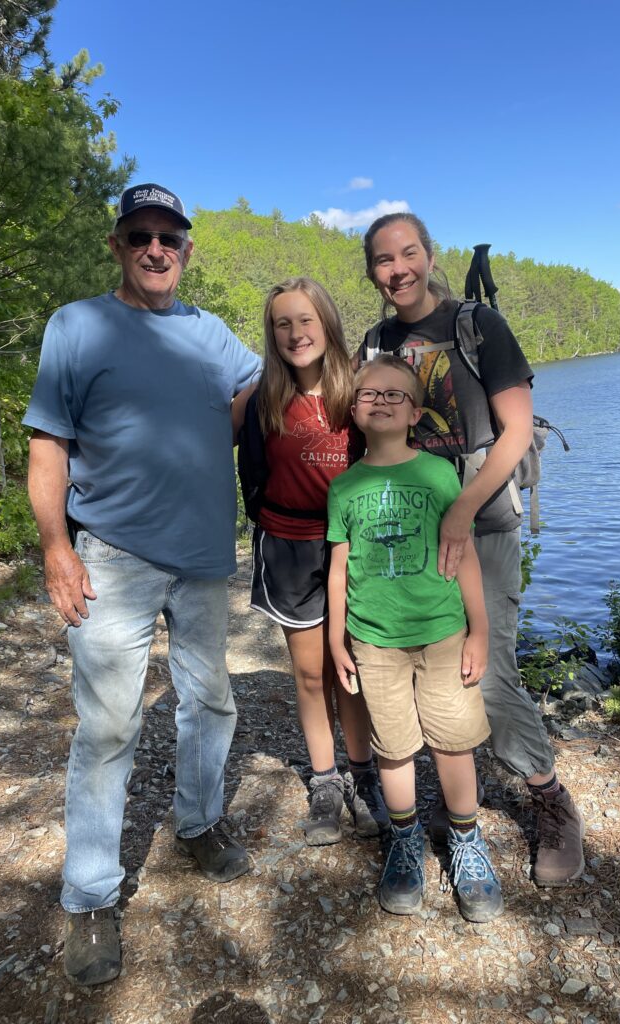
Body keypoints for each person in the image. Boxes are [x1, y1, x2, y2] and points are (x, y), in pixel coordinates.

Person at [23, 182, 261, 987]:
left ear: (187, 250)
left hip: (200, 559)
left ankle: (197, 824)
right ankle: (90, 898)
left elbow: (262, 397)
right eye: (140, 236)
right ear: (119, 247)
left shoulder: (212, 333)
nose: (156, 248)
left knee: (212, 701)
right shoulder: (78, 325)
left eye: (170, 237)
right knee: (108, 730)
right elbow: (48, 446)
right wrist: (58, 547)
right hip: (112, 558)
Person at [357, 212, 585, 887]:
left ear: (429, 256)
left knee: (485, 669)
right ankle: (460, 802)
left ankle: (550, 798)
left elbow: (514, 431)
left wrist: (459, 509)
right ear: (371, 271)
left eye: (408, 254)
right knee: (425, 665)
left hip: (481, 522)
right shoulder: (374, 343)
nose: (397, 269)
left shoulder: (476, 326)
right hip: (407, 533)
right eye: (382, 259)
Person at [327, 354, 503, 921]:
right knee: (394, 746)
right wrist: (336, 641)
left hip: (443, 635)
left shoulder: (438, 475)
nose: (380, 400)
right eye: (369, 394)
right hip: (374, 641)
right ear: (353, 411)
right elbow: (337, 567)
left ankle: (466, 841)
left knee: (454, 742)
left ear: (415, 414)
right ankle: (403, 841)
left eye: (394, 395)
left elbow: (465, 554)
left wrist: (480, 630)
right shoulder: (344, 487)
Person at [239, 277, 387, 845]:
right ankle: (324, 781)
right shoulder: (261, 399)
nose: (296, 333)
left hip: (355, 548)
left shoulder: (360, 391)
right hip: (289, 545)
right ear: (271, 334)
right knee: (309, 672)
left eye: (305, 320)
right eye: (282, 323)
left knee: (350, 669)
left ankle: (362, 775)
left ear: (326, 322)